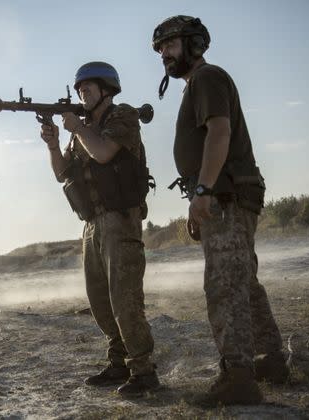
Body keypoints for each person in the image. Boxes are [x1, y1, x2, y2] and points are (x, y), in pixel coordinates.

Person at [152, 15, 288, 405]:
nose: (164, 53)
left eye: (170, 45)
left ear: (193, 44)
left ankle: (239, 378)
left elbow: (220, 132)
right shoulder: (198, 82)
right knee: (243, 280)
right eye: (160, 48)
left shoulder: (206, 78)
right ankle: (269, 360)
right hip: (228, 192)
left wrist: (204, 191)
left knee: (224, 285)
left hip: (225, 194)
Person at [39, 62, 157, 396]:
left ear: (106, 89)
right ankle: (119, 362)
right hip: (91, 223)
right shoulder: (84, 130)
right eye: (79, 90)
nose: (81, 95)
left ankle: (144, 372)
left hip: (120, 219)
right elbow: (63, 173)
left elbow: (104, 153)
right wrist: (52, 145)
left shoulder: (122, 118)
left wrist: (77, 127)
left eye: (87, 89)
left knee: (124, 298)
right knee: (99, 299)